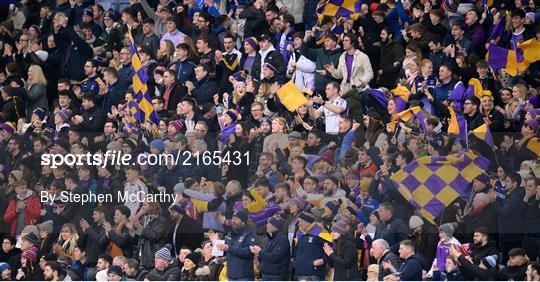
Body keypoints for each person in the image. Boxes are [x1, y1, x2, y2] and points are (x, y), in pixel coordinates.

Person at [250, 214, 290, 280]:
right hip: (265, 274)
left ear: (275, 227)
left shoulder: (282, 239)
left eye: (268, 223)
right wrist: (257, 254)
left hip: (276, 276)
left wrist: (260, 252)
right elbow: (264, 257)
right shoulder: (267, 239)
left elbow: (275, 257)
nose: (266, 225)